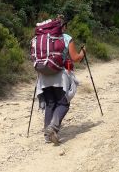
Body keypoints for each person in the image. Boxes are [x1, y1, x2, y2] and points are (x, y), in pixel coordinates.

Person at [36, 15, 86, 145]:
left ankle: (47, 134)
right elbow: (75, 58)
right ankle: (53, 127)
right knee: (63, 103)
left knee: (50, 103)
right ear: (63, 27)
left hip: (44, 75)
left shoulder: (43, 38)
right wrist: (83, 53)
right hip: (60, 75)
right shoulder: (66, 38)